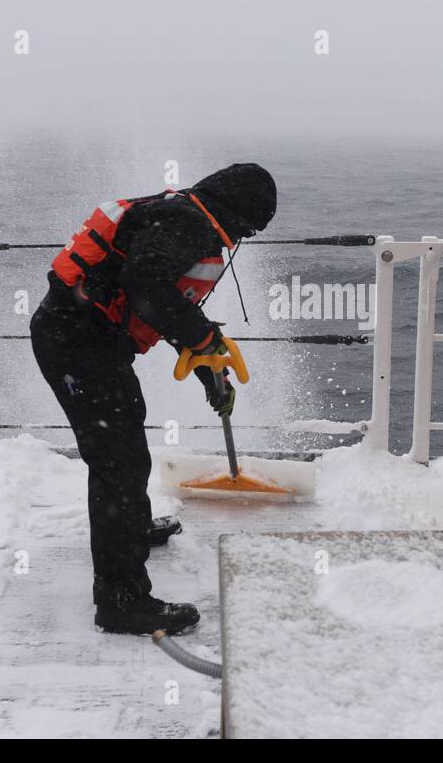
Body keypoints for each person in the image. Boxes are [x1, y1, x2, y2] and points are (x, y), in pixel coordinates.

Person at [30, 163, 277, 635]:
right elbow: (145, 287)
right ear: (238, 214)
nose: (239, 239)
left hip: (86, 340)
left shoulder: (177, 211)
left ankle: (133, 529)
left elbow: (154, 296)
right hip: (76, 344)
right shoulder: (190, 225)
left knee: (125, 435)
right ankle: (122, 602)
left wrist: (204, 356)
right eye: (247, 229)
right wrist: (201, 338)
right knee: (117, 462)